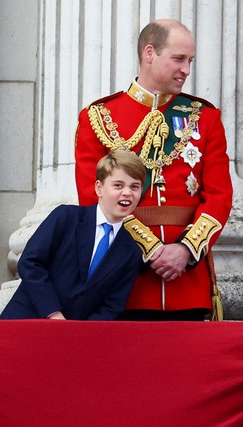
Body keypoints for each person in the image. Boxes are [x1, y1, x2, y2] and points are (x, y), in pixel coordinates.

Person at [74, 19, 233, 321]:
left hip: (188, 282)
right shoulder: (99, 116)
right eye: (179, 59)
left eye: (190, 61)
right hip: (126, 282)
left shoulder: (205, 118)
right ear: (149, 53)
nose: (186, 69)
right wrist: (151, 251)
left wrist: (185, 250)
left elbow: (220, 196)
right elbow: (91, 197)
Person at [0, 151, 146, 320]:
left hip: (75, 338)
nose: (127, 192)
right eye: (118, 185)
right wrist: (53, 313)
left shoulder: (131, 251)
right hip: (27, 320)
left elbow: (112, 305)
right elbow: (30, 262)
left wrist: (79, 333)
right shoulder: (66, 217)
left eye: (134, 186)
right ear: (99, 188)